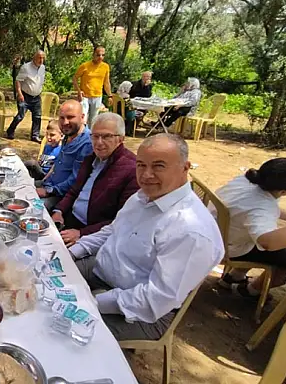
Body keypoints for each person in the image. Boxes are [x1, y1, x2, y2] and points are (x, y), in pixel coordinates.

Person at [69, 134, 224, 341]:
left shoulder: (191, 230)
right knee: (40, 278)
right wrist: (72, 252)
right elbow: (111, 230)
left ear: (185, 168)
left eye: (159, 166)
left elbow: (156, 299)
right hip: (102, 269)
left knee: (65, 330)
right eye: (141, 165)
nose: (146, 175)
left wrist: (93, 301)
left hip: (142, 313)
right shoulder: (143, 196)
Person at [215, 158, 286, 298]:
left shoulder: (246, 181)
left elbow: (260, 207)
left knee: (261, 243)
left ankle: (234, 277)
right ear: (284, 191)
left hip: (219, 232)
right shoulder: (261, 208)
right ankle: (251, 290)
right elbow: (268, 242)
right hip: (229, 246)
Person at [51, 113, 139, 245]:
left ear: (121, 139)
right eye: (95, 136)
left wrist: (82, 233)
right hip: (69, 219)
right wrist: (59, 210)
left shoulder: (132, 170)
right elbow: (74, 190)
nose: (99, 142)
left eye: (107, 136)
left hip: (91, 234)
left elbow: (121, 220)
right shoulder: (92, 158)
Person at [35, 99, 93, 211]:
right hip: (48, 184)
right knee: (19, 187)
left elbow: (75, 180)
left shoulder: (87, 143)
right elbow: (58, 164)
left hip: (61, 196)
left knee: (33, 209)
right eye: (62, 118)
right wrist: (44, 181)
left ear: (82, 117)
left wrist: (48, 191)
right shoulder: (68, 135)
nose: (65, 122)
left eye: (70, 117)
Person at [6, 50, 46, 143]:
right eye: (39, 58)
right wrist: (19, 93)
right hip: (25, 96)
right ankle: (10, 131)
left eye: (43, 58)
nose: (41, 60)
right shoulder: (26, 67)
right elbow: (18, 81)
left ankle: (35, 135)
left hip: (36, 97)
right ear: (34, 58)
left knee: (37, 117)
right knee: (20, 116)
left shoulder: (43, 68)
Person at [73, 46, 112, 124]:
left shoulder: (105, 67)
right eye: (98, 55)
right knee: (83, 118)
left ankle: (90, 135)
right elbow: (74, 78)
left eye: (103, 55)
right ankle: (81, 134)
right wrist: (79, 91)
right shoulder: (85, 66)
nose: (100, 57)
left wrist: (110, 95)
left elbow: (106, 82)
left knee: (93, 120)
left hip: (97, 96)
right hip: (85, 96)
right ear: (93, 54)